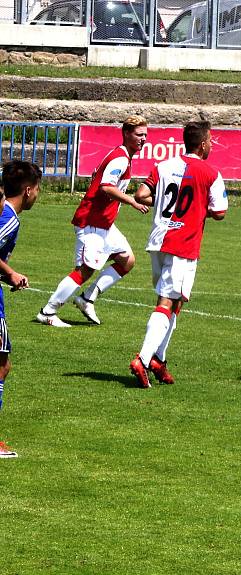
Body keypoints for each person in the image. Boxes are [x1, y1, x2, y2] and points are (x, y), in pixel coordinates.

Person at [128, 121, 227, 388]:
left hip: (158, 240)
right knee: (166, 302)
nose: (211, 145)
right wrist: (195, 208)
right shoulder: (211, 173)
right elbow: (219, 212)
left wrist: (163, 203)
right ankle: (144, 359)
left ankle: (159, 359)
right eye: (210, 141)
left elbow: (141, 193)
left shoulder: (163, 165)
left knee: (175, 302)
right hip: (182, 245)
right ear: (203, 143)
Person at [36, 115, 150, 327]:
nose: (143, 139)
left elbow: (96, 175)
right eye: (139, 135)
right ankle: (48, 311)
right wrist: (133, 202)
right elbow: (106, 186)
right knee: (85, 270)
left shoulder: (121, 155)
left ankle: (87, 299)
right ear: (126, 133)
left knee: (127, 260)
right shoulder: (121, 158)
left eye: (145, 135)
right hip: (91, 222)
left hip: (104, 223)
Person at [0, 161, 41, 458]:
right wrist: (11, 273)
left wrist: (9, 273)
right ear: (28, 191)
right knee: (2, 366)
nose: (38, 195)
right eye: (38, 189)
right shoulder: (8, 219)